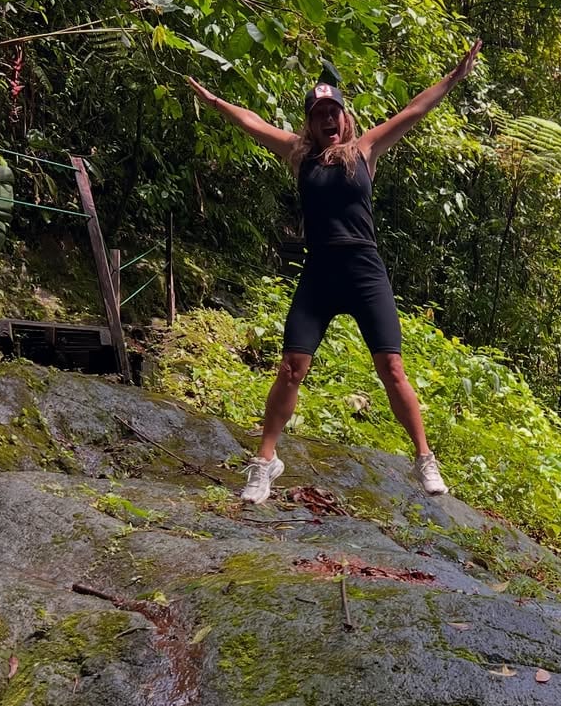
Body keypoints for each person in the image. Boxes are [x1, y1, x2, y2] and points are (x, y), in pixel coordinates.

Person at [185, 40, 481, 504]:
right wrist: (215, 101)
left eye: (333, 112)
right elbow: (252, 123)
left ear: (345, 117)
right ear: (310, 122)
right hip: (320, 272)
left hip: (364, 270)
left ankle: (424, 457)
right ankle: (265, 461)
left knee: (392, 368)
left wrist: (453, 77)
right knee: (291, 368)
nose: (327, 119)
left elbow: (414, 110)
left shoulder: (365, 149)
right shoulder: (298, 154)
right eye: (318, 113)